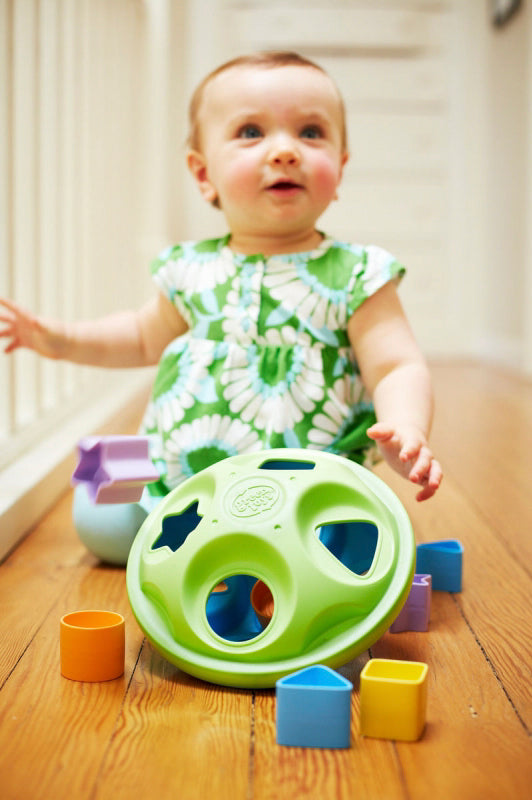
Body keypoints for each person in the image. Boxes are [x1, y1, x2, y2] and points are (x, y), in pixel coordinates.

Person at [0, 52, 441, 561]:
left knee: (356, 544)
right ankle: (188, 535)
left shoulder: (359, 274)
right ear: (203, 173)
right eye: (252, 132)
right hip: (194, 482)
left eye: (311, 132)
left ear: (340, 169)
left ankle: (285, 550)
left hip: (308, 489)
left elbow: (396, 364)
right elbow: (141, 337)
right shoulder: (190, 270)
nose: (284, 151)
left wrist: (406, 426)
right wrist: (58, 339)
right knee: (101, 525)